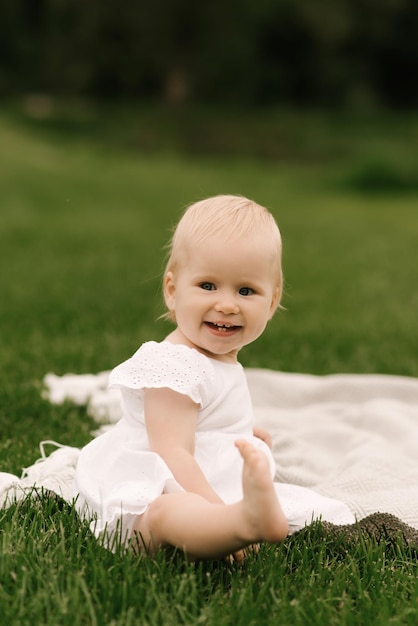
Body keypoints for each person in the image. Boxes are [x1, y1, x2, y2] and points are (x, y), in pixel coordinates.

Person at [75, 195, 355, 561]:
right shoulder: (174, 365)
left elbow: (207, 418)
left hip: (196, 476)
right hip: (154, 486)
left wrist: (238, 435)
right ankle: (237, 523)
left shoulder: (216, 360)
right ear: (173, 291)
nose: (226, 304)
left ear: (271, 302)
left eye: (245, 290)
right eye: (208, 286)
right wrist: (213, 505)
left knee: (193, 509)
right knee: (166, 514)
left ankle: (235, 520)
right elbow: (171, 449)